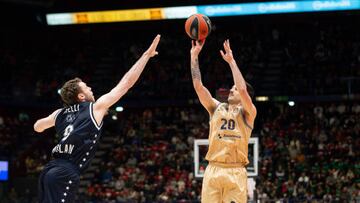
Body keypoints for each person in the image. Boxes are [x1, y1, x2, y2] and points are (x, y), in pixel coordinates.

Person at [33, 35, 161, 203]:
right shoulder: (95, 108)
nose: (90, 88)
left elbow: (37, 126)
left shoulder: (59, 114)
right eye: (86, 87)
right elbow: (126, 84)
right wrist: (145, 56)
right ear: (81, 96)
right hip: (65, 172)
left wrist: (54, 123)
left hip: (49, 170)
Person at [190, 39, 257, 203]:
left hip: (235, 171)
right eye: (232, 88)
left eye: (235, 89)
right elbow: (199, 87)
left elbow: (242, 89)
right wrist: (194, 57)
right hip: (213, 168)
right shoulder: (216, 107)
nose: (232, 90)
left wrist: (232, 61)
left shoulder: (249, 113)